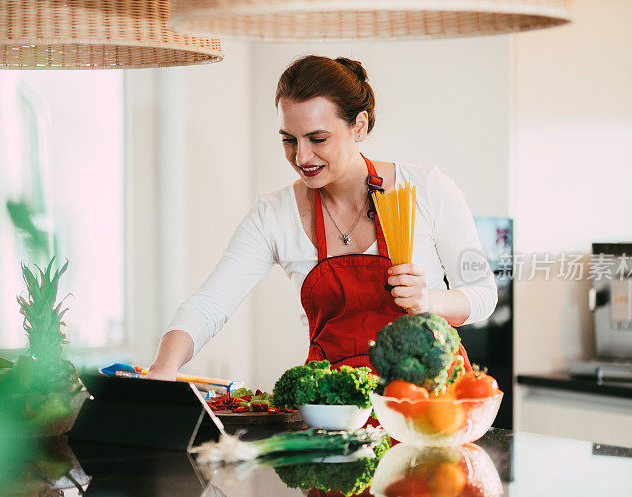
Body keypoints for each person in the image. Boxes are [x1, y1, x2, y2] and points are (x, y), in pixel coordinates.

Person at [147, 55, 497, 380]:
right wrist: (163, 368)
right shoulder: (274, 215)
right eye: (289, 139)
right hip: (335, 411)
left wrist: (428, 300)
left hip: (431, 409)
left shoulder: (427, 189)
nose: (301, 156)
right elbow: (210, 305)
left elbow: (483, 295)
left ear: (359, 126)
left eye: (318, 138)